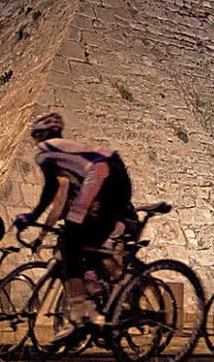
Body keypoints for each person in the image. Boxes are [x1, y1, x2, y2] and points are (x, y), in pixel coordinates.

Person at [15, 112, 133, 339]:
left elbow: (51, 191)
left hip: (103, 175)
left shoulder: (45, 150)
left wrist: (31, 216)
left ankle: (80, 310)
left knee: (69, 239)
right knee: (87, 243)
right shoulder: (69, 155)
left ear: (39, 135)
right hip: (119, 179)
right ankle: (111, 293)